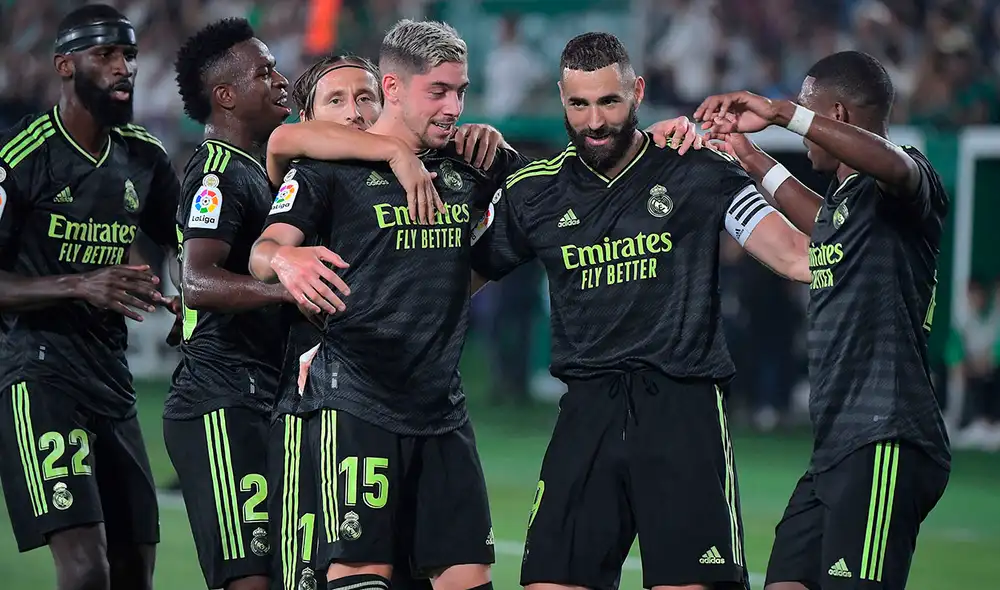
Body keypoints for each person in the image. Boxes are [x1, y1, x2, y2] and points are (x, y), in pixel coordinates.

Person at [470, 32, 813, 590]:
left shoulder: (698, 170)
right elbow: (453, 285)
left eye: (609, 101)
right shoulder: (533, 193)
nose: (594, 121)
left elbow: (796, 255)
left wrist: (876, 257)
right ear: (561, 98)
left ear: (638, 92)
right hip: (586, 410)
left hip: (683, 408)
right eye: (578, 104)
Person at [247, 19, 538, 590]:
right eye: (439, 91)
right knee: (362, 574)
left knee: (468, 576)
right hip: (353, 403)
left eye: (461, 91)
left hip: (441, 408)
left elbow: (530, 210)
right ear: (394, 89)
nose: (454, 106)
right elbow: (265, 249)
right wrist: (286, 261)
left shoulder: (466, 167)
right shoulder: (328, 170)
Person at [695, 50, 950, 590]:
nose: (802, 131)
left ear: (837, 115)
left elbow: (894, 167)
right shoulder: (849, 205)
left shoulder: (908, 178)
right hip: (836, 446)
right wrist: (746, 153)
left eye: (812, 114)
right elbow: (820, 220)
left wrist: (785, 112)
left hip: (887, 438)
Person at [0, 4, 180, 590]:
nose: (123, 67)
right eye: (105, 55)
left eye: (128, 54)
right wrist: (80, 283)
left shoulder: (145, 158)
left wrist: (184, 295)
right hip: (36, 371)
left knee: (135, 569)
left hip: (111, 377)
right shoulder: (21, 159)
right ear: (66, 66)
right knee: (84, 571)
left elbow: (185, 244)